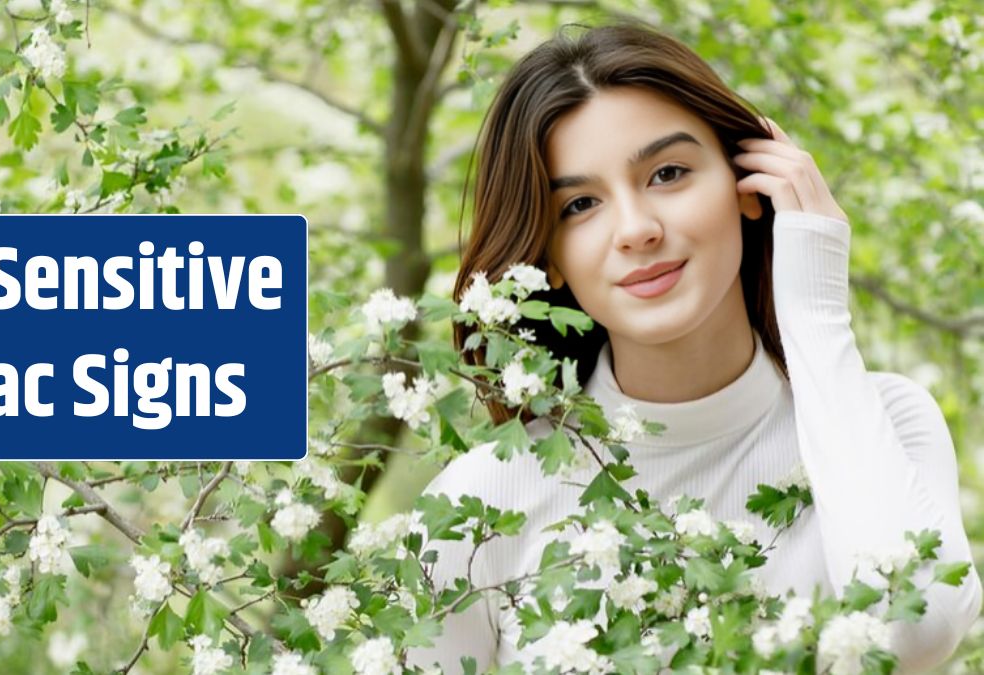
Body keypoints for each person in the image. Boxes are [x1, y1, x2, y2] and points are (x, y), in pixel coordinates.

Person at [407, 20, 982, 674]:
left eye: (668, 173)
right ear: (549, 258)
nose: (636, 229)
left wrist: (815, 314)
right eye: (580, 205)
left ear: (747, 185)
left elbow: (910, 634)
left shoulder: (885, 421)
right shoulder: (484, 500)